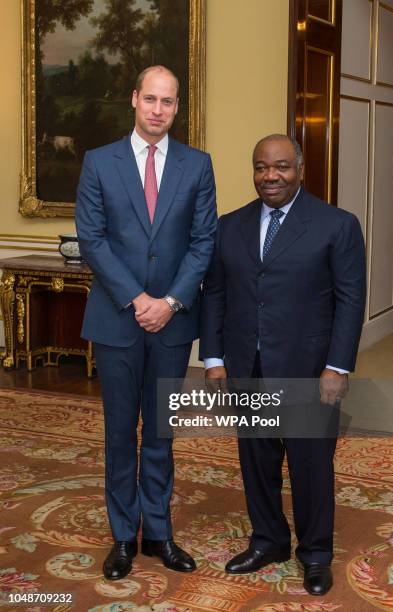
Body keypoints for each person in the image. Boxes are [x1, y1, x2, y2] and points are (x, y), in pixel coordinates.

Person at [200, 134, 366, 596]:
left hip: (309, 370)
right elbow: (215, 294)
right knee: (257, 461)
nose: (270, 176)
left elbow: (351, 301)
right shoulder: (229, 226)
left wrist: (337, 366)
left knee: (311, 466)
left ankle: (315, 555)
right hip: (246, 367)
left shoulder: (337, 225)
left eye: (281, 167)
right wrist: (214, 360)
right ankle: (268, 540)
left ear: (300, 170)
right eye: (260, 167)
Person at [76, 65, 217, 580]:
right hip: (117, 321)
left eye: (169, 102)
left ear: (177, 106)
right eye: (151, 99)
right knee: (119, 434)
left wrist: (172, 301)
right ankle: (122, 538)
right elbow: (92, 239)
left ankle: (158, 533)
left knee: (160, 433)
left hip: (173, 325)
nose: (159, 110)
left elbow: (204, 242)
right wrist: (139, 299)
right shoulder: (98, 162)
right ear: (134, 99)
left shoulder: (197, 166)